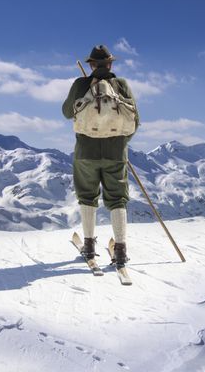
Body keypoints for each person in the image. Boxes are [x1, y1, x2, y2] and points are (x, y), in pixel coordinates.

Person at [62, 44, 139, 266]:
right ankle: (121, 251)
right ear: (111, 64)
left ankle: (88, 245)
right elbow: (135, 120)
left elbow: (67, 112)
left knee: (87, 196)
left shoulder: (81, 84)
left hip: (86, 151)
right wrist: (120, 142)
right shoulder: (121, 85)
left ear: (91, 65)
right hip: (116, 153)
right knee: (117, 199)